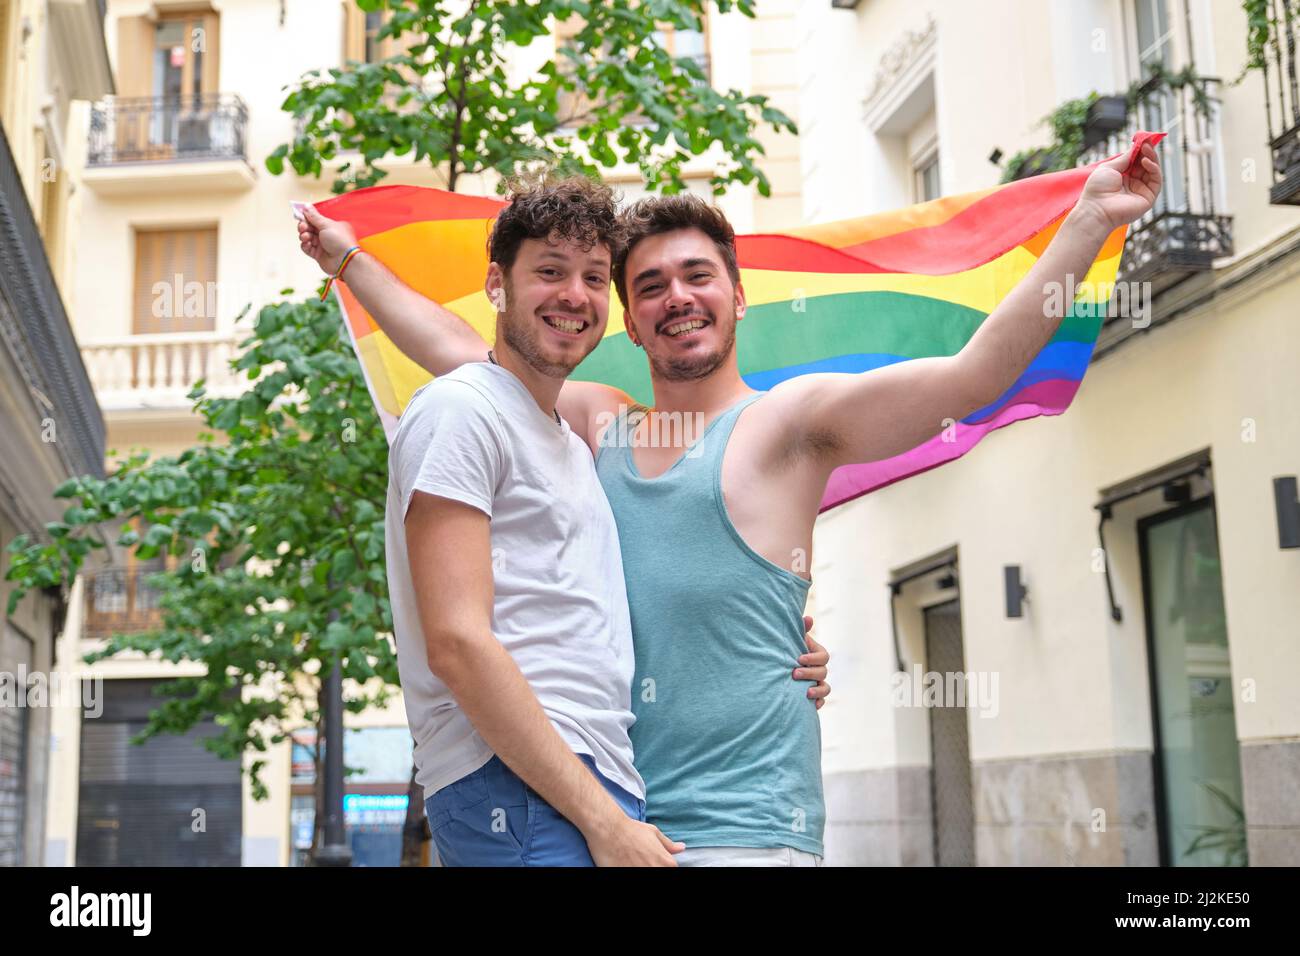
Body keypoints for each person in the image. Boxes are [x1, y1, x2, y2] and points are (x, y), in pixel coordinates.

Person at [304, 141, 1161, 865]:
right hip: (606, 816)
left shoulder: (793, 423)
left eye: (698, 276)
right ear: (625, 323)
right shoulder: (590, 430)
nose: (676, 297)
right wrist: (349, 262)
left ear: (738, 296)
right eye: (648, 287)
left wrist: (1087, 223)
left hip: (748, 834)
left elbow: (971, 378)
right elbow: (467, 353)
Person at [322, 176, 830, 866]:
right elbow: (458, 644)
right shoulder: (466, 411)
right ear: (497, 284)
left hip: (594, 781)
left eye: (594, 277)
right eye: (550, 272)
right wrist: (349, 263)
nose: (573, 295)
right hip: (524, 784)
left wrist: (764, 649)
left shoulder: (565, 432)